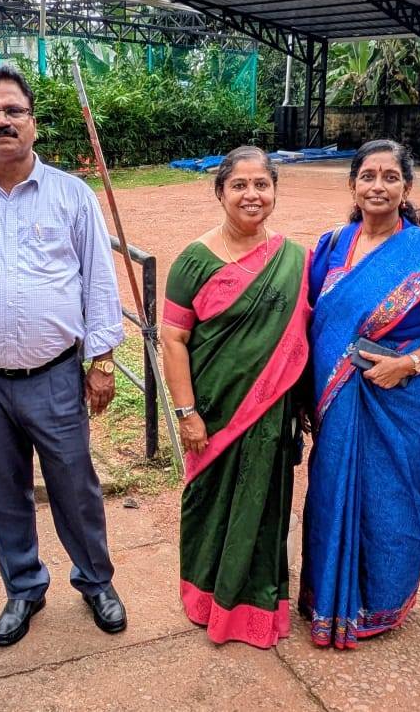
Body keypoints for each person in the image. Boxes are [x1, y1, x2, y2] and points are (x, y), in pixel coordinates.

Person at [0, 64, 127, 648]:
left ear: (33, 123)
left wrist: (102, 360)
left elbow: (98, 280)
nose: (2, 121)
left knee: (75, 487)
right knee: (0, 492)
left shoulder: (71, 195)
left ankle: (95, 581)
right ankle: (23, 587)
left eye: (13, 110)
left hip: (55, 375)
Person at [301, 139, 420, 650]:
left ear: (406, 187)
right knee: (330, 493)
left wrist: (407, 364)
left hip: (406, 403)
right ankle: (327, 599)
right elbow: (315, 324)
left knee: (392, 503)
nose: (378, 186)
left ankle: (380, 604)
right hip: (339, 403)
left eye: (390, 177)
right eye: (368, 176)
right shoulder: (331, 247)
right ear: (353, 185)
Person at [160, 147, 310, 649]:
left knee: (263, 511)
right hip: (213, 415)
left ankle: (256, 607)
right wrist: (187, 413)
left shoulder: (295, 260)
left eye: (261, 185)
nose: (252, 195)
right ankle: (206, 597)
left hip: (270, 416)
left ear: (274, 192)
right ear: (220, 192)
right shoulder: (194, 261)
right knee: (209, 505)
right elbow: (174, 340)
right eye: (239, 185)